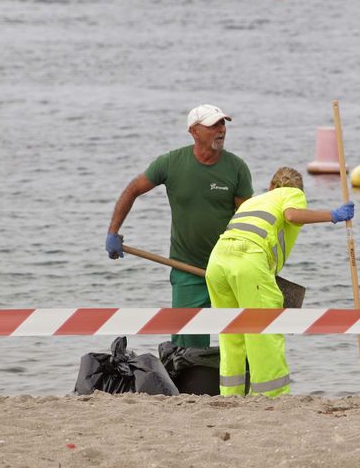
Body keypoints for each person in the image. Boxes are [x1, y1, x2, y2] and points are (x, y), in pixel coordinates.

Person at [105, 104, 255, 348]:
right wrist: (113, 232)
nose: (221, 130)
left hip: (228, 269)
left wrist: (256, 261)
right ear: (194, 131)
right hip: (186, 268)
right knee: (188, 348)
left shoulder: (236, 168)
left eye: (222, 124)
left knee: (240, 341)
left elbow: (248, 219)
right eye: (213, 125)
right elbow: (133, 189)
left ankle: (237, 386)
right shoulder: (171, 163)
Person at [204, 167, 354, 397]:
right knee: (263, 332)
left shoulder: (253, 201)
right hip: (249, 260)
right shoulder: (290, 194)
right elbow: (292, 215)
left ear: (270, 186)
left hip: (217, 262)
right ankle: (271, 397)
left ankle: (230, 396)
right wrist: (332, 215)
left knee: (231, 333)